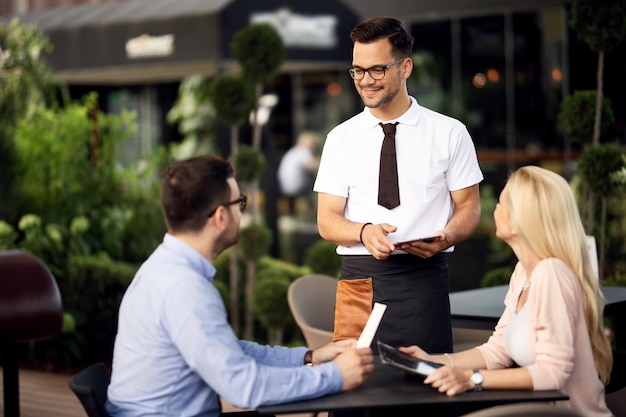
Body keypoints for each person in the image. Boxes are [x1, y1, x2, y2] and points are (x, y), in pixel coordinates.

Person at [106, 155, 374, 416]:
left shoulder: (166, 267)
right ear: (220, 217)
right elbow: (245, 387)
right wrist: (336, 376)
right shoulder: (183, 288)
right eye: (240, 203)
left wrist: (309, 358)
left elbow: (228, 352)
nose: (242, 213)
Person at [313, 16, 483, 352]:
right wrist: (364, 232)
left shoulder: (449, 133)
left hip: (425, 278)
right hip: (359, 278)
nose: (365, 80)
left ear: (405, 67)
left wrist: (447, 235)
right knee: (359, 391)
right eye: (358, 71)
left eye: (377, 70)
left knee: (427, 386)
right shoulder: (339, 139)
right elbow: (326, 218)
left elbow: (469, 207)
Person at [400, 166, 614, 417]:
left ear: (519, 220)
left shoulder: (552, 273)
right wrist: (431, 361)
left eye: (501, 204)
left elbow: (553, 373)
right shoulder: (524, 272)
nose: (495, 210)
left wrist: (472, 379)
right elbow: (497, 351)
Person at [277, 130, 322, 217]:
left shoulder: (294, 151)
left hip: (283, 186)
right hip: (294, 187)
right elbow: (310, 165)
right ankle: (312, 216)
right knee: (318, 188)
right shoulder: (303, 151)